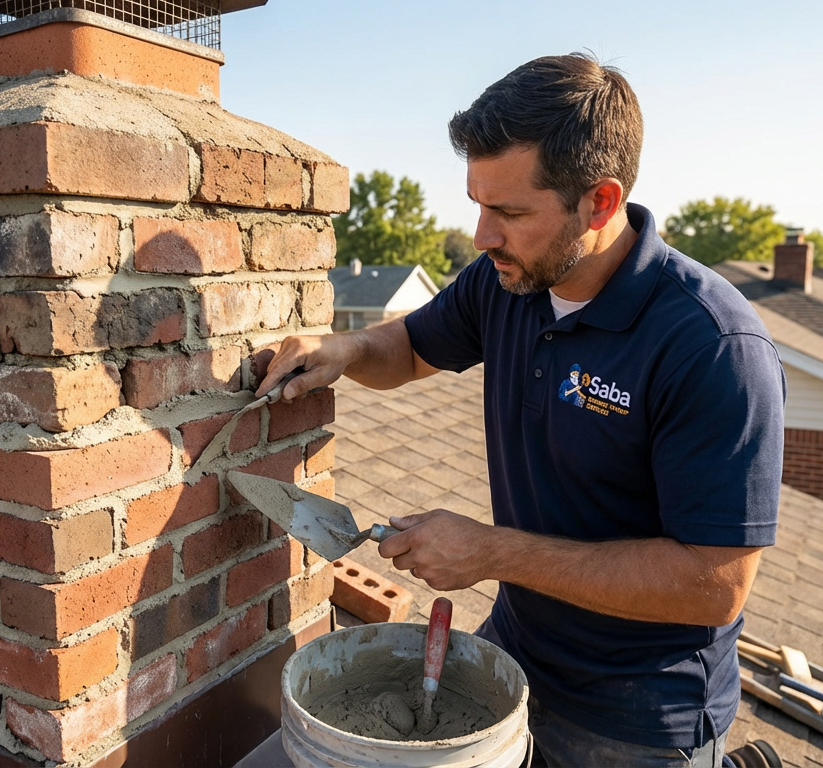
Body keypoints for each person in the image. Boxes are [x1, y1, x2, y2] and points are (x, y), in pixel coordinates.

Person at [257, 53, 785, 767]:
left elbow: (713, 587)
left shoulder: (712, 347)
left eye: (508, 212)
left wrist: (492, 552)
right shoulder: (506, 282)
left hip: (635, 717)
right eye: (478, 204)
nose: (482, 236)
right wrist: (346, 349)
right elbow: (408, 348)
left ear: (600, 202)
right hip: (516, 654)